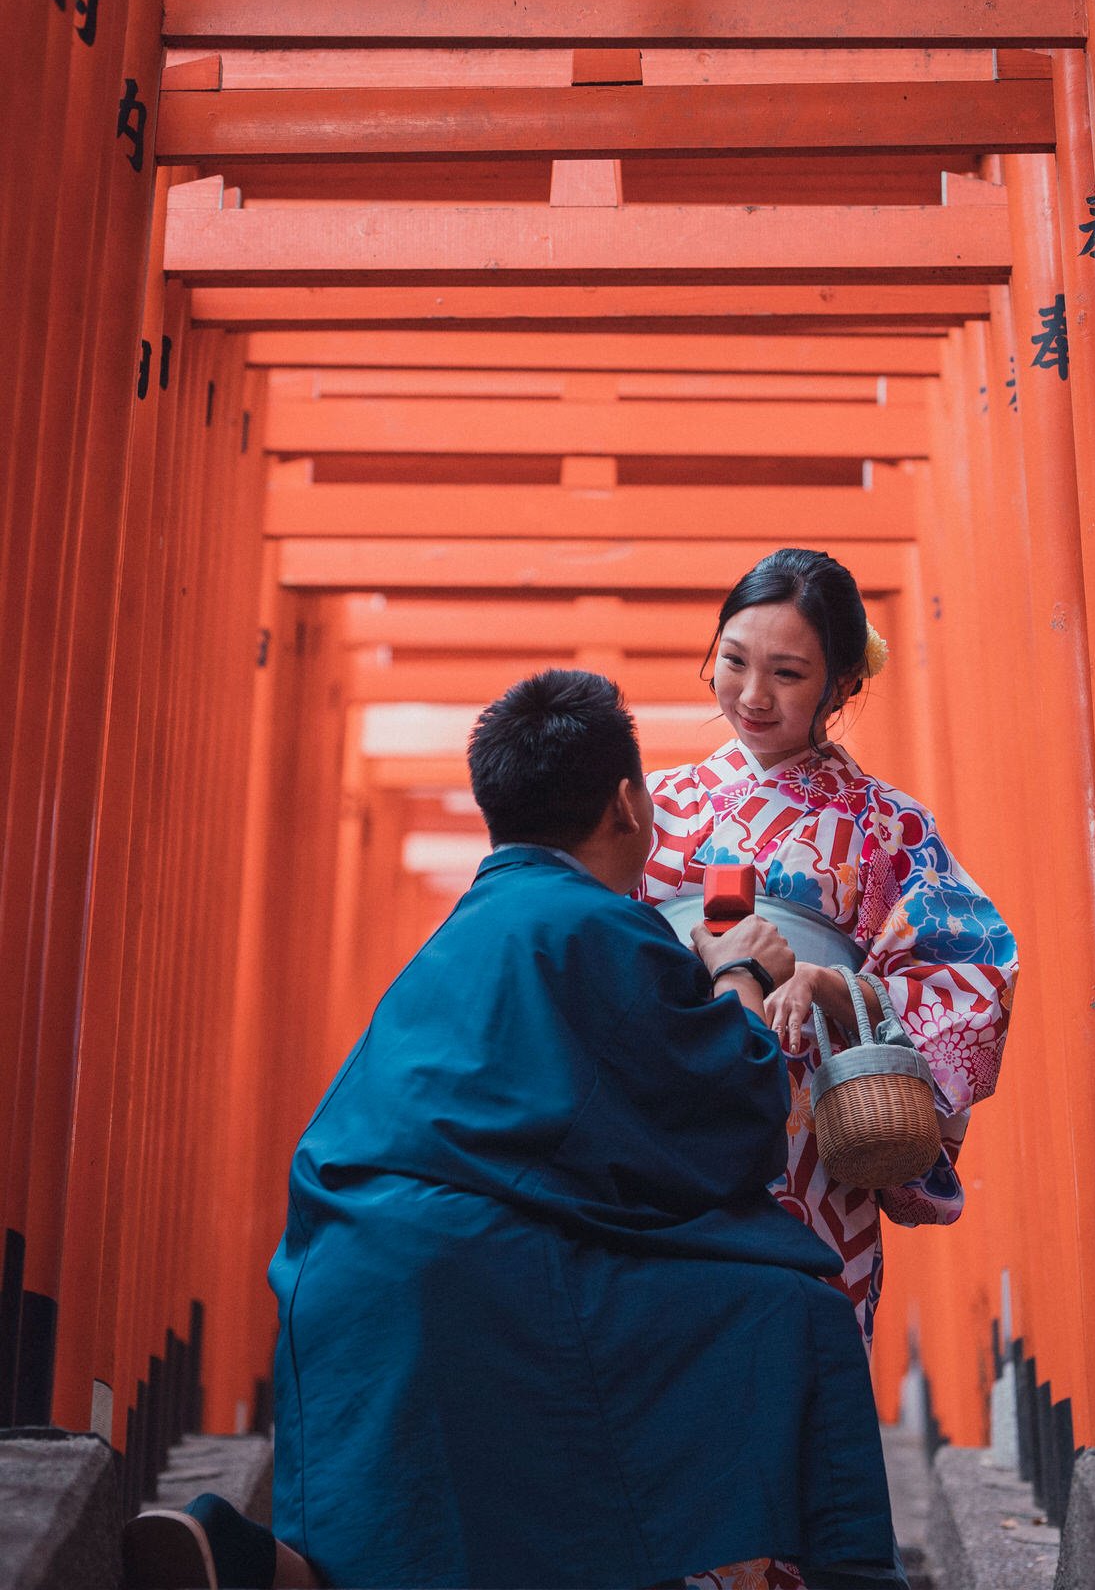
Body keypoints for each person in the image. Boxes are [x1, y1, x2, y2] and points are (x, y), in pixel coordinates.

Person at [125, 668, 902, 1590]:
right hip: (479, 1262)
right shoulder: (597, 927)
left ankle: (251, 1559)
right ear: (626, 803)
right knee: (797, 1314)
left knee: (392, 1546)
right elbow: (727, 1117)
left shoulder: (465, 931)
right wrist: (738, 974)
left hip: (337, 1269)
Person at [638, 550, 1018, 1590]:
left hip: (814, 1156)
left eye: (788, 674)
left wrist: (838, 985)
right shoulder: (653, 808)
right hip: (670, 1146)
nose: (750, 696)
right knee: (670, 1379)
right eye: (732, 661)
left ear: (843, 685)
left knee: (799, 1378)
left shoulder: (889, 828)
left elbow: (966, 967)